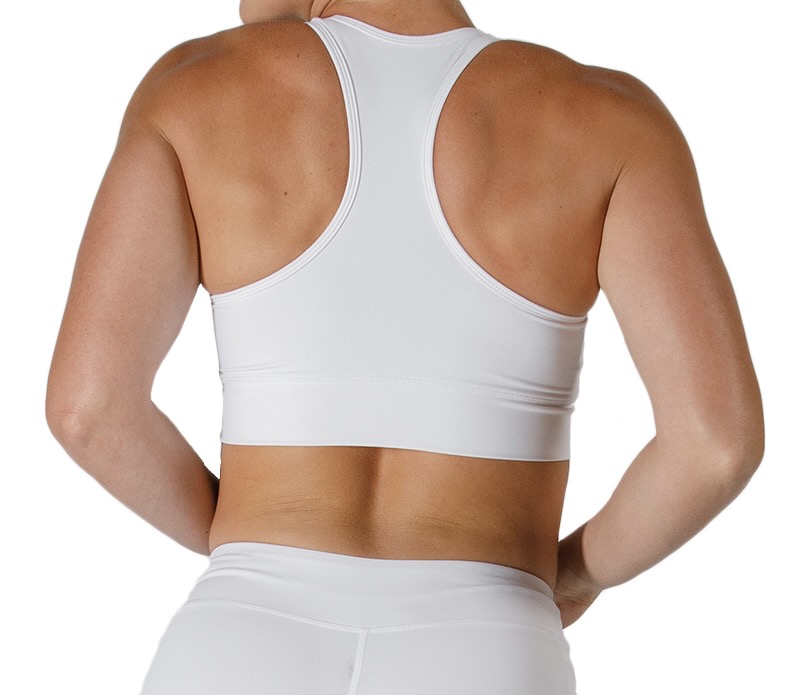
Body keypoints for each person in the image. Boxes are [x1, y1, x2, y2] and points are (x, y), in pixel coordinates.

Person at [45, 0, 764, 693]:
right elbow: (714, 446)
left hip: (237, 642)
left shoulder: (190, 89)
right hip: (487, 642)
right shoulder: (611, 118)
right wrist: (573, 573)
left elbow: (89, 411)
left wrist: (252, 553)